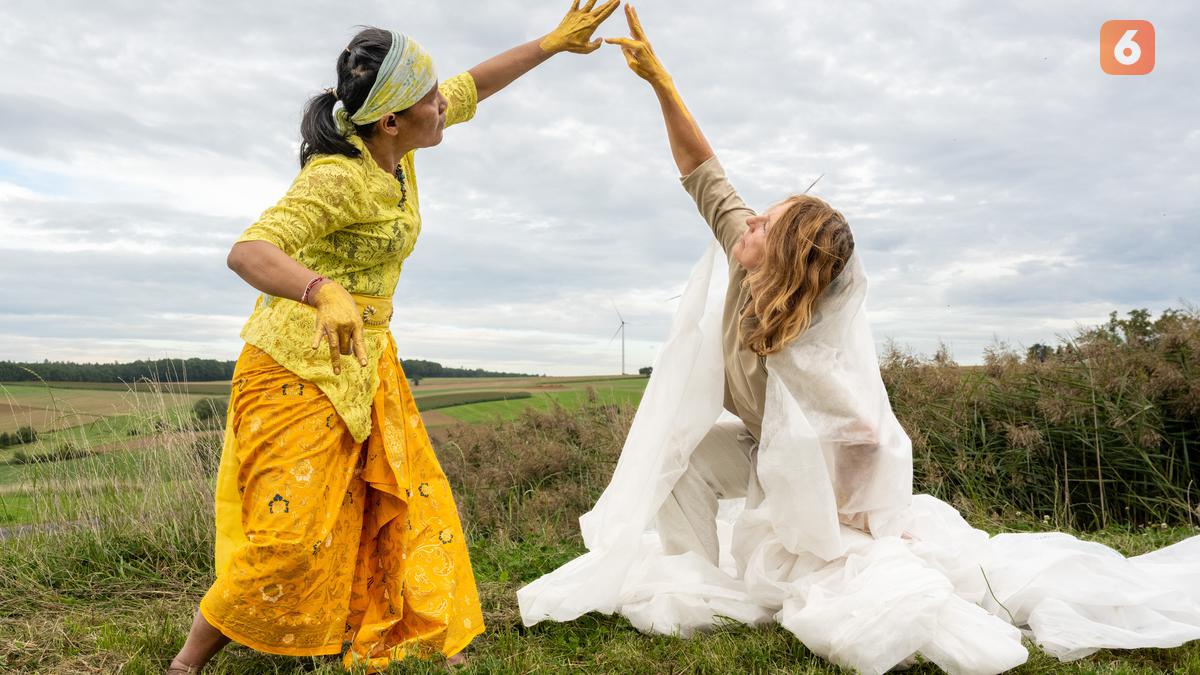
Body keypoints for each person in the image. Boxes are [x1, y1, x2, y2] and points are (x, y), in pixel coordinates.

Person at [518, 7, 1200, 674]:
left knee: (852, 564)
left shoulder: (811, 343)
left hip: (808, 477)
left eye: (766, 221)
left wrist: (860, 523)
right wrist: (663, 85)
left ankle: (794, 563)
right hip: (761, 449)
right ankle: (698, 580)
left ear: (781, 254)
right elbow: (704, 171)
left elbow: (867, 434)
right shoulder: (740, 255)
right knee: (681, 445)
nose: (748, 218)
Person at [168, 3, 621, 673]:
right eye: (429, 100)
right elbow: (249, 250)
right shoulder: (337, 178)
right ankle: (187, 661)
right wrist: (321, 289)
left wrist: (552, 44)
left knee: (404, 500)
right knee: (288, 536)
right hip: (294, 366)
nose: (444, 106)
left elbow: (474, 85)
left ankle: (400, 627)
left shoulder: (399, 151)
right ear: (390, 119)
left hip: (368, 360)